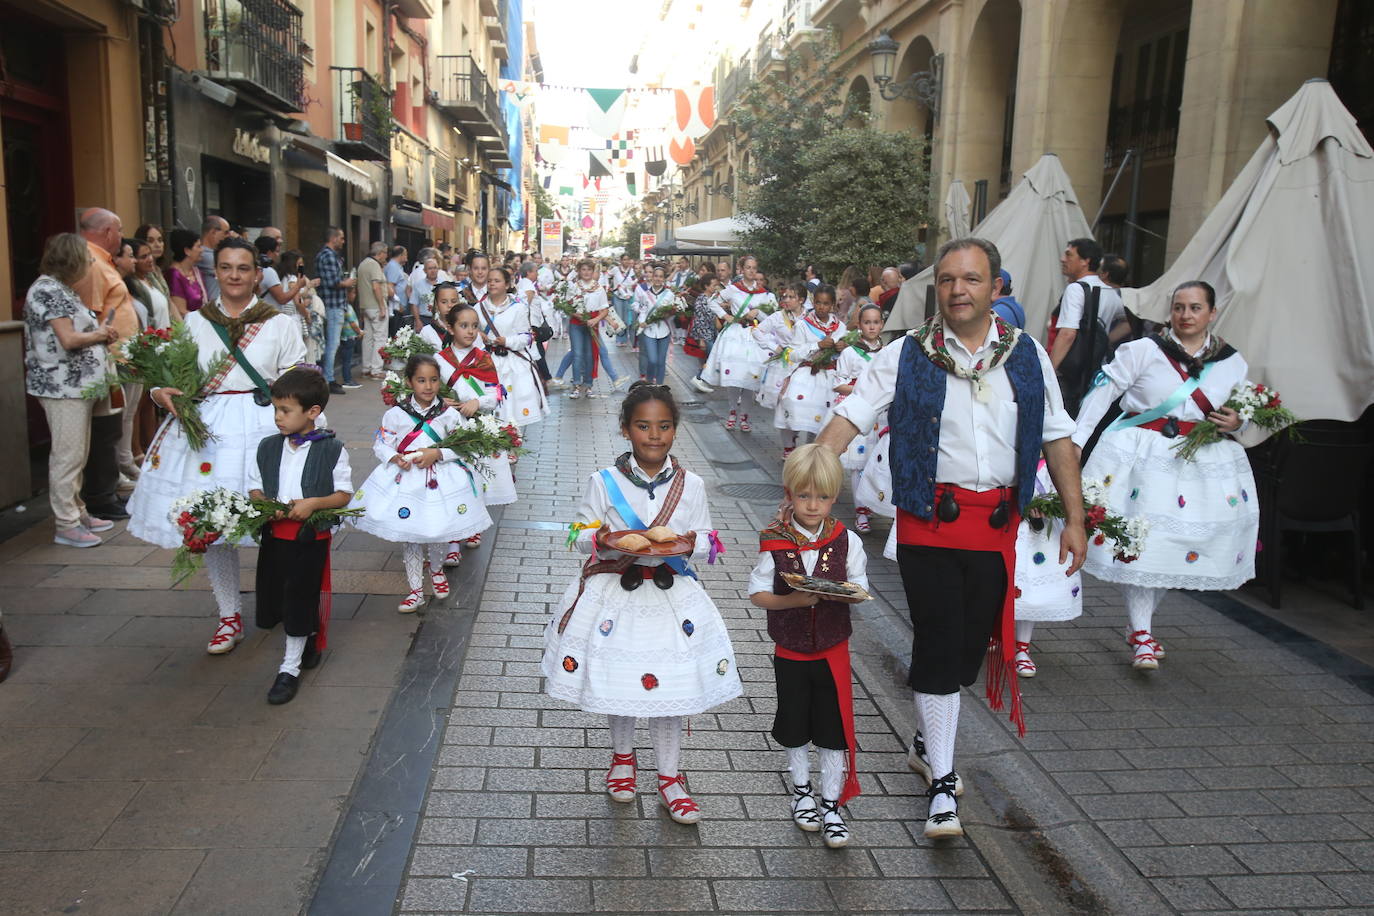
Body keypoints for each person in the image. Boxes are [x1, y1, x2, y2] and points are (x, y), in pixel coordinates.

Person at [816, 237, 1085, 839]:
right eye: (947, 280)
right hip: (928, 523)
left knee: (967, 652)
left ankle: (924, 736)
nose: (958, 290)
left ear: (995, 288)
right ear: (936, 288)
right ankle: (941, 782)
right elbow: (855, 412)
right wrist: (808, 480)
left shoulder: (1027, 355)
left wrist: (1076, 518)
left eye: (971, 279)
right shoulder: (907, 352)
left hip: (995, 528)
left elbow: (1057, 434)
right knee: (939, 644)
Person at [542, 382, 740, 825]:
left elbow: (710, 542)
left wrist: (691, 542)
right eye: (644, 426)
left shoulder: (693, 485)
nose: (655, 435)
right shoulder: (603, 482)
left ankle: (670, 778)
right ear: (625, 430)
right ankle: (622, 759)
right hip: (617, 596)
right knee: (620, 679)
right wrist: (602, 538)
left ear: (676, 429)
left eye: (665, 426)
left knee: (672, 688)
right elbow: (577, 535)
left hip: (672, 597)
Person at [128, 237, 307, 654]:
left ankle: (285, 608)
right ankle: (229, 615)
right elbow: (167, 374)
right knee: (215, 525)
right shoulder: (194, 321)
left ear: (256, 274)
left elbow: (298, 378)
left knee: (277, 520)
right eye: (226, 267)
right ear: (217, 272)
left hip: (266, 426)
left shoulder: (279, 322)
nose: (234, 276)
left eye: (243, 268)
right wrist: (159, 394)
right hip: (207, 433)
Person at [1071, 280, 1256, 671]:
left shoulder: (1232, 361)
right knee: (1144, 543)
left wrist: (1238, 419)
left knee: (1177, 544)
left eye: (1194, 308)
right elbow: (1103, 392)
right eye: (1178, 307)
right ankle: (1142, 634)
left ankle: (1140, 627)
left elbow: (1245, 406)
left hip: (1202, 463)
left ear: (1211, 313)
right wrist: (1075, 441)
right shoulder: (1142, 350)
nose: (1185, 315)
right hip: (1145, 457)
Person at [749, 444, 868, 847]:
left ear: (834, 497)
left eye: (821, 496)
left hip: (833, 648)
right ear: (789, 494)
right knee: (795, 722)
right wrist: (791, 601)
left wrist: (847, 593)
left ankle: (832, 802)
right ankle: (801, 792)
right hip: (790, 648)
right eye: (803, 496)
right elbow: (757, 593)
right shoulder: (774, 540)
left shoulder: (846, 539)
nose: (812, 505)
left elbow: (861, 585)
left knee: (833, 730)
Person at [349, 354, 493, 611]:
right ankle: (415, 588)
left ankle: (437, 571)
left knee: (437, 530)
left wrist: (438, 453)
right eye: (421, 380)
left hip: (441, 479)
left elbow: (463, 446)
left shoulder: (449, 414)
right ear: (409, 382)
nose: (428, 386)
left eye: (434, 380)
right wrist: (394, 457)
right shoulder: (395, 414)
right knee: (412, 535)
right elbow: (382, 443)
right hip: (407, 483)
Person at [246, 367, 354, 705]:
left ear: (312, 413)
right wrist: (267, 505)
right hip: (275, 536)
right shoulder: (267, 447)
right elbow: (254, 488)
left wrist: (314, 504)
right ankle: (305, 637)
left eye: (285, 410)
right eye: (276, 409)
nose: (277, 417)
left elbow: (344, 495)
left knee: (300, 597)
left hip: (310, 538)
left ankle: (288, 668)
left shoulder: (332, 449)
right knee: (276, 596)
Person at [24, 233, 120, 547]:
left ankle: (77, 511)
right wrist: (100, 334)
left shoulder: (61, 289)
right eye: (86, 258)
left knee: (77, 453)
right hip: (62, 386)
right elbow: (68, 338)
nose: (90, 263)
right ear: (72, 259)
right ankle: (66, 523)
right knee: (68, 455)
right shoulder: (49, 290)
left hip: (76, 386)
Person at [435, 299, 517, 558]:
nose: (470, 331)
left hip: (477, 428)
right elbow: (425, 392)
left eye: (474, 326)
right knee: (451, 482)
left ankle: (473, 525)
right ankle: (451, 542)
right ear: (450, 328)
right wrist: (440, 402)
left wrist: (477, 402)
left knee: (475, 478)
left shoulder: (483, 359)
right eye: (463, 325)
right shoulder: (438, 360)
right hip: (448, 431)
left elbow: (496, 393)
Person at [73, 208, 137, 521]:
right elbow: (89, 314)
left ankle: (107, 490)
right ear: (108, 232)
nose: (122, 236)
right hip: (107, 359)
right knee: (105, 429)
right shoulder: (91, 262)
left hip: (118, 358)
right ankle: (100, 495)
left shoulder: (101, 260)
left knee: (113, 426)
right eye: (120, 229)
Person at [1009, 459, 1084, 678]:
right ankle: (993, 634)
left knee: (1031, 593)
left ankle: (1022, 647)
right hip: (1005, 527)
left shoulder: (1053, 462)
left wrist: (1047, 507)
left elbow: (1062, 493)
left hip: (1039, 538)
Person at [824, 303, 886, 532]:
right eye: (867, 322)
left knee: (876, 462)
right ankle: (861, 512)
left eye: (876, 322)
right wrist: (862, 390)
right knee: (858, 464)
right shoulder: (849, 352)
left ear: (882, 324)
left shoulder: (886, 352)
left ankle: (875, 501)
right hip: (859, 411)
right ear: (859, 325)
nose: (872, 327)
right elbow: (837, 383)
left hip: (883, 415)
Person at [1049, 237, 1124, 413]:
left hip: (1068, 372)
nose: (1063, 259)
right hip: (1095, 370)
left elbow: (1068, 334)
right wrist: (1104, 340)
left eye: (1069, 254)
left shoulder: (1076, 289)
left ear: (1085, 261)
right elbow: (1127, 322)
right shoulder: (1110, 292)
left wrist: (1049, 370)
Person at [701, 255, 775, 430]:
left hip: (754, 335)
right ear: (741, 269)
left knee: (750, 378)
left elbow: (772, 317)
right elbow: (712, 302)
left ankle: (745, 417)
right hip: (736, 335)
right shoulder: (733, 289)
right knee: (734, 377)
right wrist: (726, 316)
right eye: (748, 267)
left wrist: (758, 313)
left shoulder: (764, 294)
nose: (751, 271)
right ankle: (733, 411)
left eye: (754, 268)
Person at [775, 284, 846, 451]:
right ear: (813, 302)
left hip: (829, 375)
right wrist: (817, 345)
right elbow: (793, 353)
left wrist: (842, 347)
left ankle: (811, 448)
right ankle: (789, 445)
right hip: (806, 373)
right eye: (818, 303)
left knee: (822, 413)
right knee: (792, 405)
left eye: (826, 303)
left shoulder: (840, 327)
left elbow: (845, 356)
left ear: (833, 305)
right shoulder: (803, 325)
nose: (822, 307)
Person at [476, 267, 547, 426]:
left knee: (512, 412)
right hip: (487, 363)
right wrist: (479, 336)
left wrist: (507, 341)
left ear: (507, 285)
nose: (492, 284)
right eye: (489, 281)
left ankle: (513, 441)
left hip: (512, 365)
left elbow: (527, 337)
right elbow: (471, 332)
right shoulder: (478, 309)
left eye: (497, 280)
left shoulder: (518, 308)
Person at [754, 281, 805, 420]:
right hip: (783, 365)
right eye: (784, 296)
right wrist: (774, 347)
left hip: (802, 365)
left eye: (791, 297)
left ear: (801, 300)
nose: (786, 300)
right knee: (782, 403)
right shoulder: (778, 316)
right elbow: (757, 331)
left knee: (799, 402)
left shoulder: (809, 318)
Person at [315, 227, 357, 394]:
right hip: (333, 305)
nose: (343, 241)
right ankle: (328, 379)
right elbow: (333, 281)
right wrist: (347, 283)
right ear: (333, 238)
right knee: (332, 344)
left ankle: (327, 376)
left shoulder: (326, 255)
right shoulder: (329, 256)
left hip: (332, 304)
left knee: (331, 343)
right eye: (341, 238)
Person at [632, 266, 676, 385]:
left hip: (665, 330)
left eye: (660, 276)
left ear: (664, 279)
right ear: (652, 277)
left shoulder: (669, 294)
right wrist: (641, 322)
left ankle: (660, 386)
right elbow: (643, 311)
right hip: (649, 330)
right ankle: (650, 382)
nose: (657, 279)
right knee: (652, 360)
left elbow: (673, 314)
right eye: (656, 276)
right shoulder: (645, 294)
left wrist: (669, 314)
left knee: (661, 362)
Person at [356, 241, 390, 379]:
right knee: (379, 338)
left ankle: (366, 368)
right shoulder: (374, 265)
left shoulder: (363, 264)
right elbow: (376, 286)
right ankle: (376, 370)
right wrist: (382, 306)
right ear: (380, 253)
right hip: (376, 306)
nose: (386, 256)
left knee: (368, 338)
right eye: (385, 253)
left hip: (366, 306)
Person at [256, 235, 309, 320]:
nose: (277, 255)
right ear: (269, 252)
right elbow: (288, 299)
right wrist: (299, 285)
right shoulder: (270, 272)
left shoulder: (256, 269)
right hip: (273, 318)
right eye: (276, 251)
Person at [685, 276, 721, 393]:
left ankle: (702, 379)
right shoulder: (701, 299)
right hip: (705, 334)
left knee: (711, 358)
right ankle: (699, 377)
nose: (716, 287)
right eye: (713, 285)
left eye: (716, 285)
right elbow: (699, 320)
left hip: (711, 333)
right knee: (711, 358)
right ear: (706, 286)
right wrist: (700, 339)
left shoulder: (712, 298)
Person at [165, 228, 207, 319]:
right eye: (198, 246)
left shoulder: (196, 272)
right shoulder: (174, 275)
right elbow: (181, 311)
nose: (202, 250)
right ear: (187, 250)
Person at [131, 237, 170, 330]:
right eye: (144, 257)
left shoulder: (153, 279)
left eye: (150, 255)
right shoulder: (134, 287)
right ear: (134, 260)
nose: (150, 259)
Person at [134, 224, 171, 308]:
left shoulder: (158, 270)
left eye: (160, 240)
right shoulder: (141, 274)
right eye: (150, 241)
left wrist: (181, 322)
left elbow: (169, 302)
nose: (157, 245)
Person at [197, 216, 230, 302]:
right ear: (214, 232)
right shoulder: (204, 255)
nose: (229, 236)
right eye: (226, 233)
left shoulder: (216, 254)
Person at [608, 253, 638, 348]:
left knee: (627, 318)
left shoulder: (632, 271)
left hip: (628, 296)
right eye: (624, 259)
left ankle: (628, 337)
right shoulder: (616, 269)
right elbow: (606, 275)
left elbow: (633, 282)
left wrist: (628, 288)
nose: (626, 261)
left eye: (627, 259)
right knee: (619, 318)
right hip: (617, 296)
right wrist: (608, 286)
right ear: (621, 261)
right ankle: (620, 338)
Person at [384, 245, 410, 334]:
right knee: (395, 332)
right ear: (401, 255)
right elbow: (391, 286)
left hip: (399, 307)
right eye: (405, 255)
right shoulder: (393, 266)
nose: (406, 258)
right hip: (396, 308)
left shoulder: (397, 266)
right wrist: (397, 305)